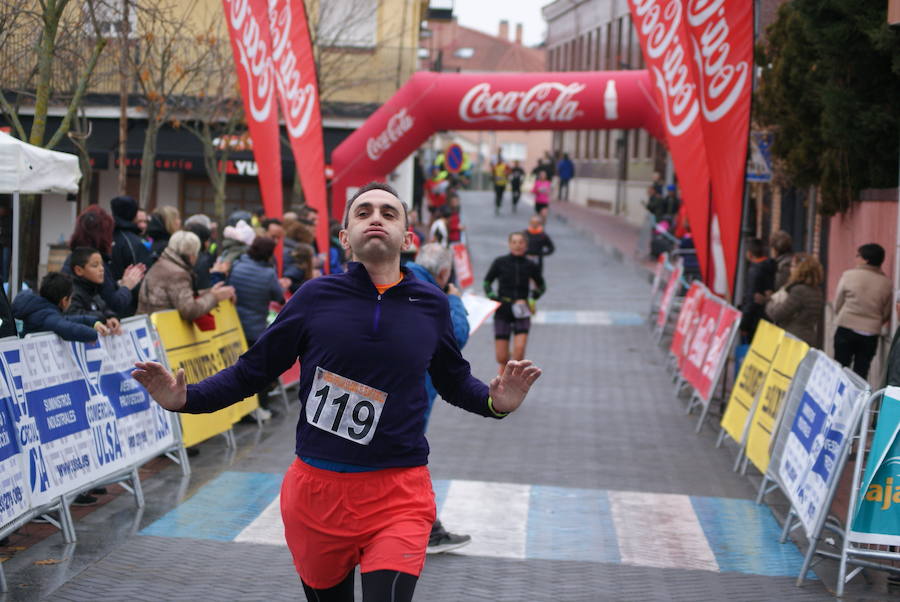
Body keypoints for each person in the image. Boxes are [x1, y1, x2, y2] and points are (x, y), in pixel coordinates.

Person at [132, 182, 542, 602]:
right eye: (363, 212)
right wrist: (186, 400)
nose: (376, 218)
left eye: (388, 212)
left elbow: (453, 380)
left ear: (408, 237)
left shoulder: (430, 304)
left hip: (399, 491)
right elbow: (251, 372)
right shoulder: (313, 298)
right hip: (317, 494)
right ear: (345, 237)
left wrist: (496, 403)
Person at [406, 243, 472, 554]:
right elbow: (455, 336)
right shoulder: (432, 295)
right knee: (409, 464)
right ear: (444, 273)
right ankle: (430, 530)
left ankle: (428, 528)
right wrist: (456, 301)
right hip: (410, 394)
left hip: (393, 392)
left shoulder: (401, 278)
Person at [64, 205, 144, 318]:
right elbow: (113, 303)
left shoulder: (75, 256)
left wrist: (119, 285)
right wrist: (127, 286)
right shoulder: (92, 260)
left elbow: (102, 298)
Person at [484, 231, 546, 374]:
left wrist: (532, 298)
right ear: (509, 244)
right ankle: (504, 373)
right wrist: (493, 297)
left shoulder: (531, 265)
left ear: (526, 245)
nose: (517, 245)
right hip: (503, 310)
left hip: (522, 309)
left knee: (518, 354)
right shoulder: (500, 262)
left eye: (521, 242)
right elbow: (487, 282)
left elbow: (542, 286)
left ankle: (508, 383)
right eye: (514, 242)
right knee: (501, 357)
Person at [137, 231, 235, 321]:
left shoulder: (163, 263)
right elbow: (189, 311)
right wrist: (215, 297)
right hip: (161, 331)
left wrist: (210, 292)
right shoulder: (177, 274)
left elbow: (181, 296)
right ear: (191, 255)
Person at [833, 243, 892, 380]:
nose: (856, 258)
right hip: (870, 332)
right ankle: (857, 401)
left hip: (846, 326)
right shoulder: (887, 283)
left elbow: (838, 303)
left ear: (865, 259)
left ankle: (839, 399)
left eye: (858, 255)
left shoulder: (848, 275)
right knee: (861, 372)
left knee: (840, 368)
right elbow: (886, 312)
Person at [12, 272, 110, 342]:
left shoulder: (41, 309)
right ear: (64, 301)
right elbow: (68, 328)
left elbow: (65, 319)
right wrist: (93, 334)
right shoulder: (47, 316)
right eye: (71, 298)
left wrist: (93, 322)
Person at [228, 237, 286, 347]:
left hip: (233, 324)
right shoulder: (269, 274)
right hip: (254, 328)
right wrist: (283, 287)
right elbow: (279, 298)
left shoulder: (236, 265)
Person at [764, 253, 825, 348]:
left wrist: (769, 302)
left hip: (793, 339)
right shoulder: (817, 290)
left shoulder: (799, 291)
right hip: (808, 337)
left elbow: (778, 314)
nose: (790, 269)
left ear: (800, 269)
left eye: (792, 266)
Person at [66, 247, 123, 333]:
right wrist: (103, 319)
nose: (101, 269)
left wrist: (112, 317)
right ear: (79, 270)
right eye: (95, 265)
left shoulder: (93, 289)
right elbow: (74, 314)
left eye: (102, 265)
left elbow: (104, 308)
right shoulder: (72, 292)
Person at [739, 238, 775, 343]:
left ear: (749, 254)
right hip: (768, 318)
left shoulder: (755, 271)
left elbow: (751, 299)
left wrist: (744, 325)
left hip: (755, 320)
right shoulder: (771, 266)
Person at [109, 195, 153, 282]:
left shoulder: (105, 237)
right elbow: (142, 278)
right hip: (127, 292)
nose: (143, 225)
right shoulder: (134, 243)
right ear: (134, 215)